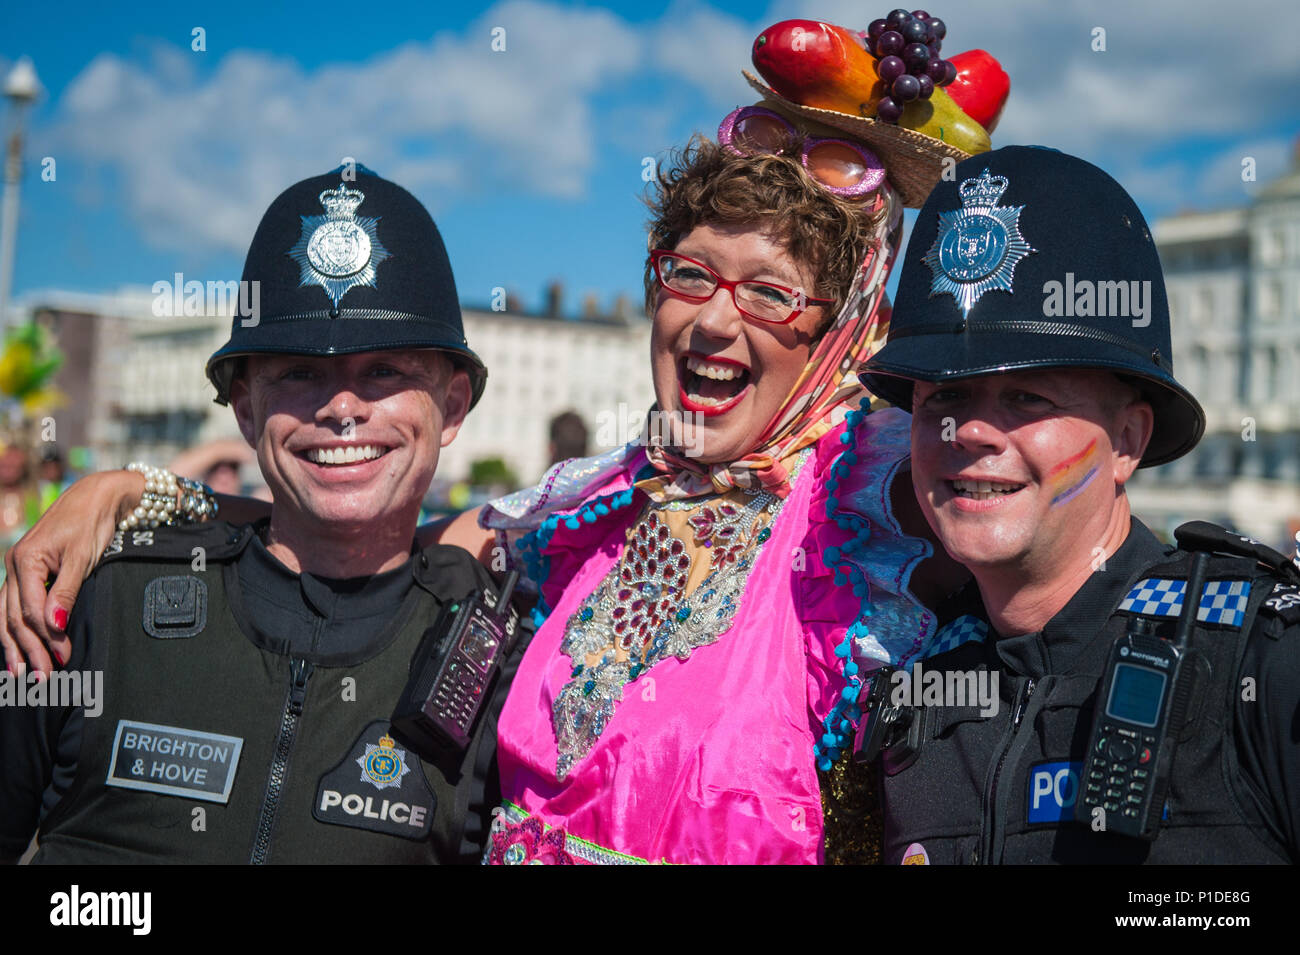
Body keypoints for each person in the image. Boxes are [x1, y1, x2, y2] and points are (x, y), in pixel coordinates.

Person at [1, 37, 994, 862]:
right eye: (691, 274)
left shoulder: (884, 504)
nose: (713, 324)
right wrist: (134, 493)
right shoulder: (595, 506)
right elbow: (363, 534)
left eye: (772, 293)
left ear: (844, 326)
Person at [0, 165, 524, 864]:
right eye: (300, 372)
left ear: (452, 407)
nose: (342, 408)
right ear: (245, 407)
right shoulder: (98, 596)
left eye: (386, 371)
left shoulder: (498, 668)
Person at [855, 145, 1300, 864]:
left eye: (1027, 395)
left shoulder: (1262, 663)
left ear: (1128, 439)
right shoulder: (915, 697)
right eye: (943, 396)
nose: (968, 431)